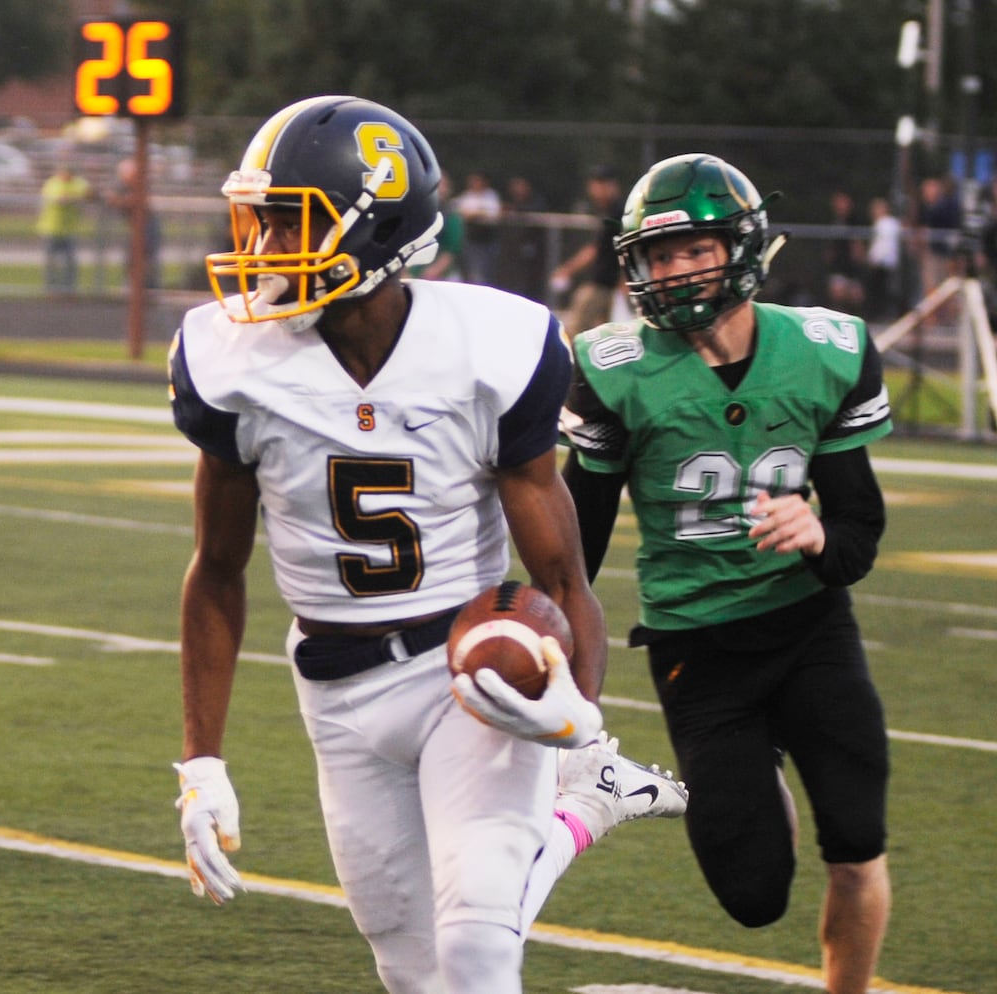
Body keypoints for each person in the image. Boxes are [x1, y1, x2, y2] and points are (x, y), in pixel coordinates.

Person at [167, 95, 687, 994]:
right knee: (415, 977)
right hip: (334, 690)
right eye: (260, 223)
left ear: (380, 232)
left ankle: (586, 792)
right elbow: (216, 572)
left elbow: (562, 573)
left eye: (291, 224)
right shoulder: (231, 363)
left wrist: (577, 719)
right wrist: (202, 763)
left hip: (469, 668)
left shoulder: (490, 345)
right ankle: (587, 810)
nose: (262, 251)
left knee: (480, 951)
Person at [560, 153, 893, 994]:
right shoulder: (613, 366)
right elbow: (574, 548)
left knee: (856, 840)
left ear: (741, 248)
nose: (672, 271)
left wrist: (818, 531)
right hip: (696, 643)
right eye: (657, 255)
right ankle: (755, 773)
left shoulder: (826, 348)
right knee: (753, 896)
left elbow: (858, 534)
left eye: (692, 250)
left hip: (808, 626)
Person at [549, 164, 626, 335]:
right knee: (604, 334)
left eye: (598, 185)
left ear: (610, 186)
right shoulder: (611, 211)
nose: (594, 191)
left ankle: (567, 362)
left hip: (601, 284)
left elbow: (595, 250)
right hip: (609, 285)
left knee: (572, 332)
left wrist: (567, 269)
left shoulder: (616, 213)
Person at [103, 156, 162, 290]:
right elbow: (111, 198)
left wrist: (121, 201)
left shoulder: (140, 184)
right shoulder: (123, 186)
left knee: (146, 259)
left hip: (148, 228)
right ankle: (133, 288)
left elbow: (135, 201)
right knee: (133, 258)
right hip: (135, 229)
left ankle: (148, 289)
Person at [36, 161, 93, 296]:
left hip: (70, 229)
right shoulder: (52, 183)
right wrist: (69, 198)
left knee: (70, 261)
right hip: (51, 228)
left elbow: (89, 194)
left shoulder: (79, 183)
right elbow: (53, 197)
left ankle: (69, 289)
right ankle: (51, 289)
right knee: (51, 261)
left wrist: (71, 198)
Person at [497, 175, 549, 304]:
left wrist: (515, 210)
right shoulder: (515, 201)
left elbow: (535, 211)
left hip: (534, 247)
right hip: (516, 249)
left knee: (531, 279)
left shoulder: (536, 201)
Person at [455, 170, 502, 286]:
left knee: (488, 270)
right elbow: (461, 211)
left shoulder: (491, 196)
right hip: (472, 240)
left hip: (488, 239)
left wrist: (475, 213)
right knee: (474, 271)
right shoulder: (467, 196)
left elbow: (495, 214)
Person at [864, 195, 903, 321]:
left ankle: (882, 315)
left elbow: (880, 245)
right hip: (888, 262)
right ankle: (882, 314)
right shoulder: (890, 223)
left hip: (883, 263)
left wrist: (873, 258)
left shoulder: (884, 223)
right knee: (882, 291)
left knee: (881, 291)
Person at [420, 171, 464, 281]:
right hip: (413, 275)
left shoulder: (452, 216)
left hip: (441, 277)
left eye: (441, 184)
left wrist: (433, 271)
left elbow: (450, 250)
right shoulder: (415, 213)